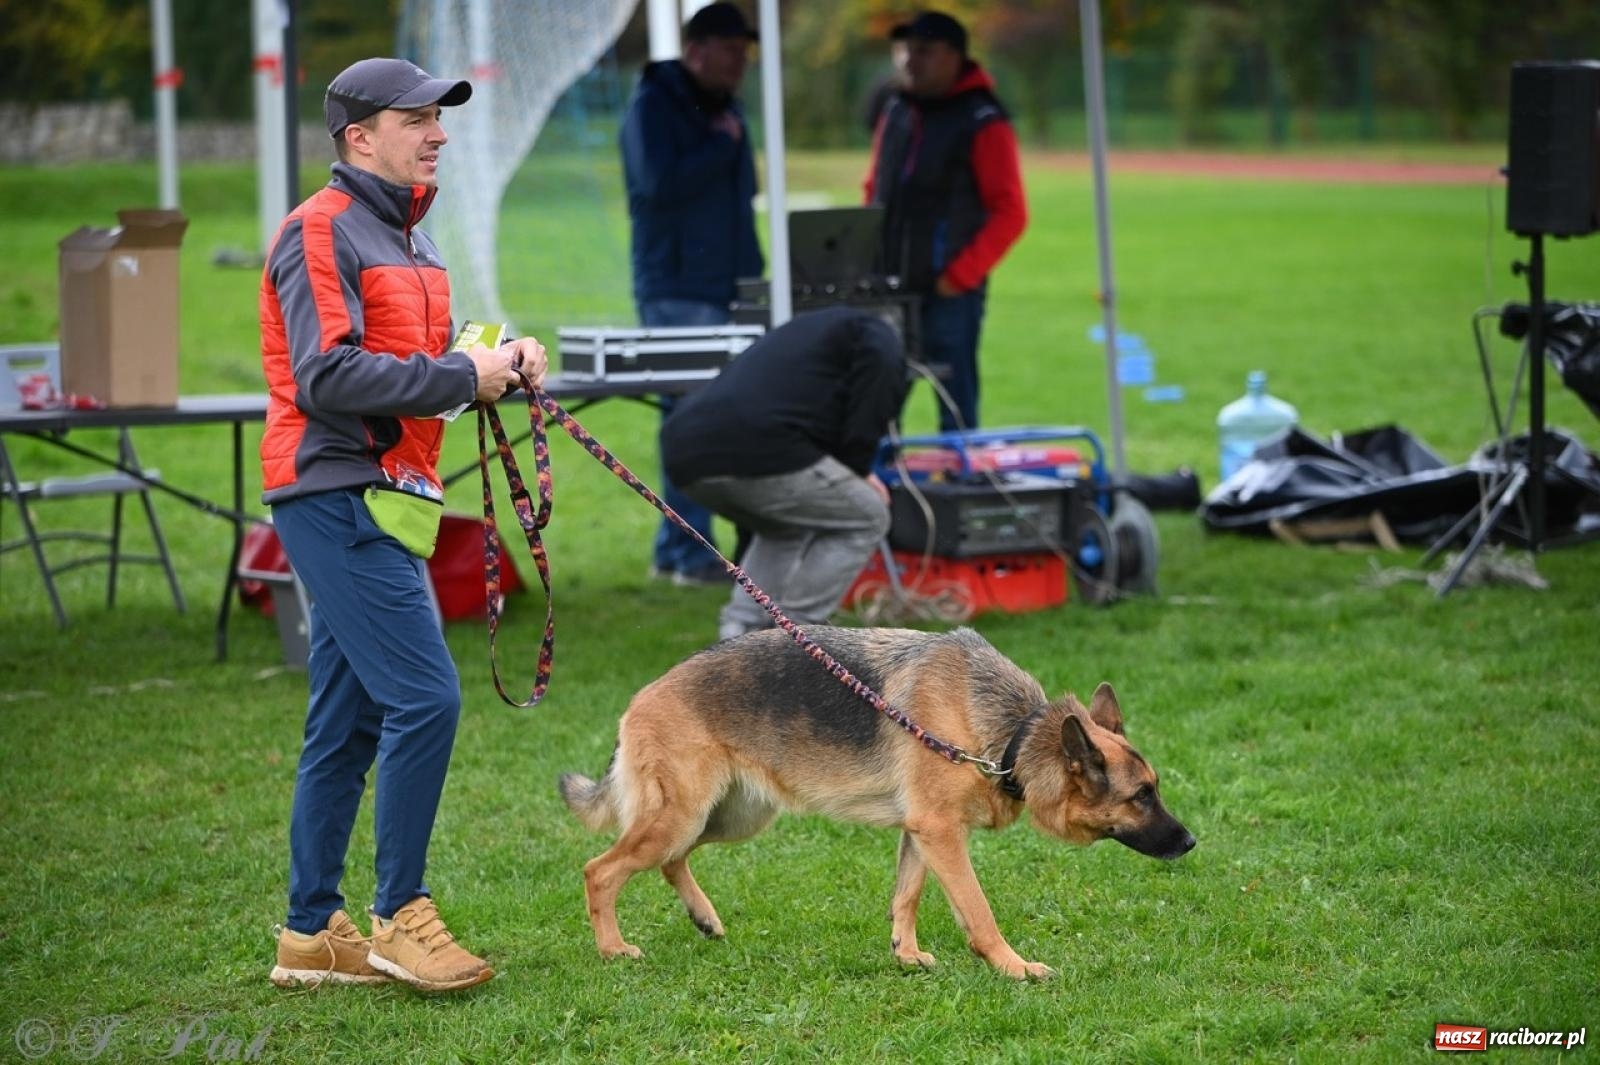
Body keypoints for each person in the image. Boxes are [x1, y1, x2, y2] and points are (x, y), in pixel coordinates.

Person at [259, 57, 548, 994]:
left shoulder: (414, 243)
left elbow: (420, 362)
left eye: (438, 117)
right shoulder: (319, 229)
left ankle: (310, 935)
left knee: (346, 724)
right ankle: (400, 916)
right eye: (416, 118)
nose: (438, 133)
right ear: (359, 137)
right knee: (427, 697)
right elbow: (326, 375)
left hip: (392, 496)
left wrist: (493, 356)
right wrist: (466, 377)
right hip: (334, 490)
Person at [621, 1, 764, 587]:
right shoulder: (654, 106)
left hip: (731, 284)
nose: (740, 63)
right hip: (677, 286)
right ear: (696, 49)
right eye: (730, 51)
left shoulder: (726, 113)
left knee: (724, 419)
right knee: (691, 419)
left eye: (745, 53)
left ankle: (679, 550)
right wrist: (716, 145)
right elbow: (656, 187)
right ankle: (687, 554)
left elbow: (745, 189)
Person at [661, 308, 908, 641]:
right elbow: (868, 413)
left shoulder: (816, 328)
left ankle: (738, 632)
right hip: (757, 448)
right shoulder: (881, 339)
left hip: (683, 449)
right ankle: (795, 636)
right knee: (867, 515)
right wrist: (860, 468)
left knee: (785, 525)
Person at [864, 10, 1028, 432]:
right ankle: (881, 489)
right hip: (888, 288)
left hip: (949, 293)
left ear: (954, 57)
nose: (910, 61)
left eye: (925, 51)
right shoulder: (896, 108)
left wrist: (958, 277)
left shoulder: (982, 119)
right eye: (906, 51)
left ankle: (959, 487)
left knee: (955, 409)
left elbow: (1010, 211)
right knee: (875, 406)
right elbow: (873, 189)